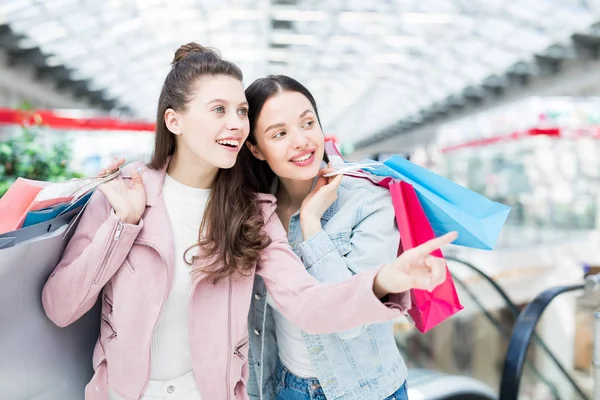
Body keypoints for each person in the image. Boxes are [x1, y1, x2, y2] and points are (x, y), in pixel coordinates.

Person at [42, 43, 456, 400]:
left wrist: (385, 280)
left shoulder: (251, 213)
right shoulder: (124, 193)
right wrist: (122, 226)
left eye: (241, 111)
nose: (236, 123)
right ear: (175, 121)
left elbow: (307, 304)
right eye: (219, 109)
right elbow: (60, 308)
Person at [243, 75, 411, 400]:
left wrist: (311, 224)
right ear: (256, 149)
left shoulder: (367, 199)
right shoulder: (255, 211)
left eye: (308, 123)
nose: (301, 141)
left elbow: (350, 322)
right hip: (285, 387)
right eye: (279, 133)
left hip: (368, 392)